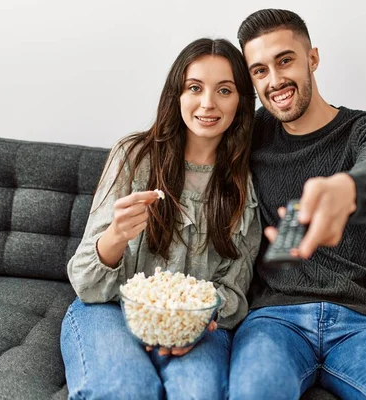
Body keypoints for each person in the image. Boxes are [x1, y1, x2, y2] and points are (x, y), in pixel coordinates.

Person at [228, 9, 366, 400]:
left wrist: (346, 189)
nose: (275, 80)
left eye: (285, 60)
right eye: (259, 71)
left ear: (312, 58)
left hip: (361, 320)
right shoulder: (251, 133)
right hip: (274, 317)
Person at [60, 37, 261, 400]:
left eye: (225, 90)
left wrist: (186, 322)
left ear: (242, 103)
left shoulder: (245, 182)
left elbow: (234, 292)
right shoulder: (133, 156)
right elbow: (86, 283)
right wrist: (117, 236)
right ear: (177, 95)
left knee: (199, 393)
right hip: (109, 309)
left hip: (197, 325)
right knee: (126, 390)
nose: (207, 103)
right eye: (194, 88)